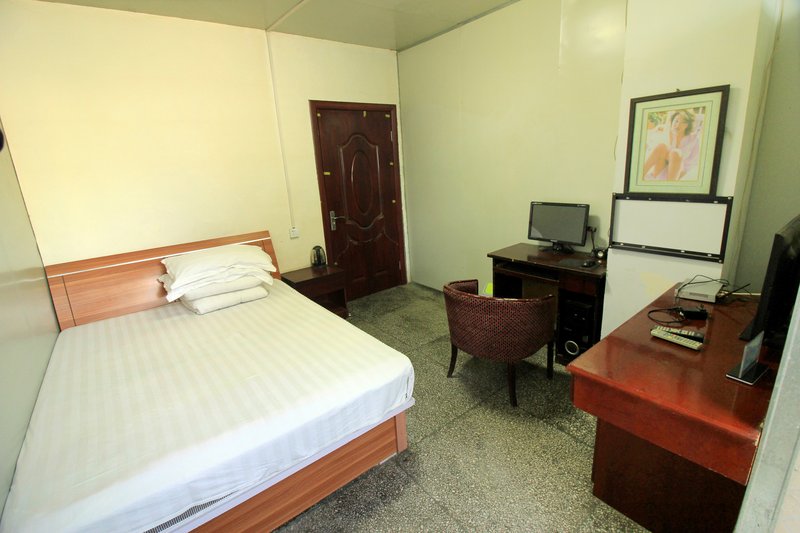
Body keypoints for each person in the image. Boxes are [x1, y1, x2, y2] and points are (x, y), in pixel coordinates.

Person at [641, 109, 700, 181]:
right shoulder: (665, 132)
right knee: (662, 146)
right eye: (676, 121)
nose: (678, 125)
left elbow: (691, 163)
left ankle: (670, 184)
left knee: (676, 153)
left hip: (677, 173)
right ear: (672, 120)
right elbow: (652, 149)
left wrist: (680, 174)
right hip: (660, 168)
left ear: (688, 125)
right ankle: (640, 176)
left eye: (683, 123)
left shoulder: (694, 139)